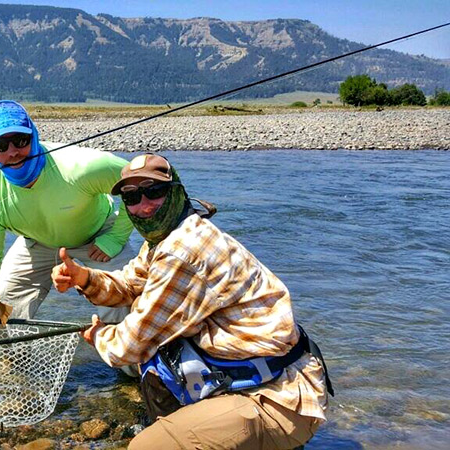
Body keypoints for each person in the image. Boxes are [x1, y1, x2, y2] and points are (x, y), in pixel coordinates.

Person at [51, 153, 333, 449]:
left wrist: (98, 336)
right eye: (132, 197)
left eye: (154, 191)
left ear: (176, 192)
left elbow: (129, 345)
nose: (144, 206)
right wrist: (84, 278)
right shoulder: (168, 238)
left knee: (144, 447)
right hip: (252, 375)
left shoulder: (182, 250)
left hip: (279, 396)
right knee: (159, 359)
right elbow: (129, 284)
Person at [0, 100, 137, 373]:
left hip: (99, 236)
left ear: (34, 134)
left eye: (20, 140)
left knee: (123, 299)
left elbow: (144, 183)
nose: (13, 152)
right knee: (1, 305)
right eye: (1, 146)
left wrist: (116, 237)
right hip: (37, 242)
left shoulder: (81, 166)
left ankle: (134, 375)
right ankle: (14, 376)